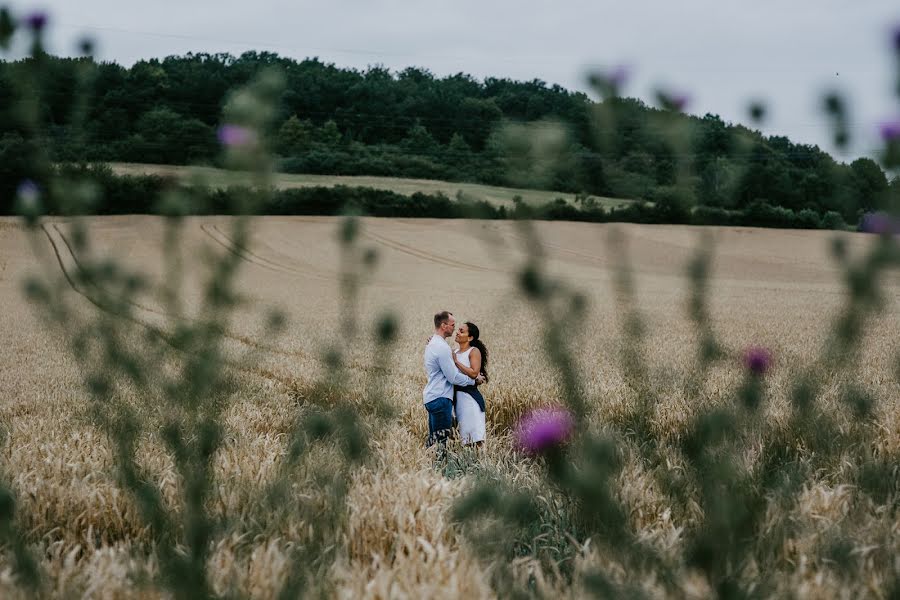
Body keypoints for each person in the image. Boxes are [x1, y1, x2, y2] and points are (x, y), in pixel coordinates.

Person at [423, 311, 482, 449]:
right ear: (443, 326)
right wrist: (473, 381)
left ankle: (427, 466)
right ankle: (436, 469)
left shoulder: (435, 343)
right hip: (441, 398)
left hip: (433, 397)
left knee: (434, 441)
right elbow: (453, 377)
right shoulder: (442, 347)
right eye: (453, 325)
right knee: (440, 444)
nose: (454, 328)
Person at [452, 322, 489, 445]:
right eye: (458, 329)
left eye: (462, 331)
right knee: (463, 441)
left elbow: (474, 373)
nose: (457, 332)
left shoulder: (474, 351)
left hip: (470, 401)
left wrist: (456, 362)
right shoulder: (455, 352)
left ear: (470, 337)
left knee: (476, 440)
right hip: (457, 401)